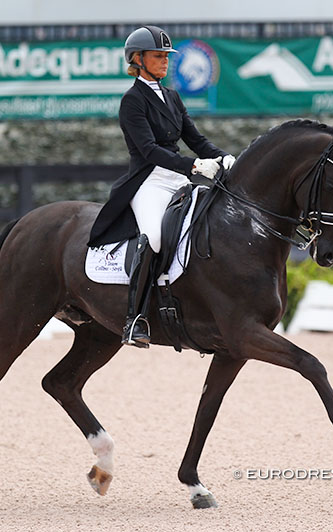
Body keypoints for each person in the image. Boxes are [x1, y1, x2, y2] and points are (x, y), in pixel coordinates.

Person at [87, 25, 236, 348]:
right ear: (137, 60)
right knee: (153, 236)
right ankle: (135, 318)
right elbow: (149, 150)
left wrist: (224, 158)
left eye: (166, 56)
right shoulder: (132, 101)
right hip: (149, 181)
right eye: (158, 56)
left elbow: (195, 139)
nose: (165, 61)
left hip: (178, 178)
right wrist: (195, 165)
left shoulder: (171, 96)